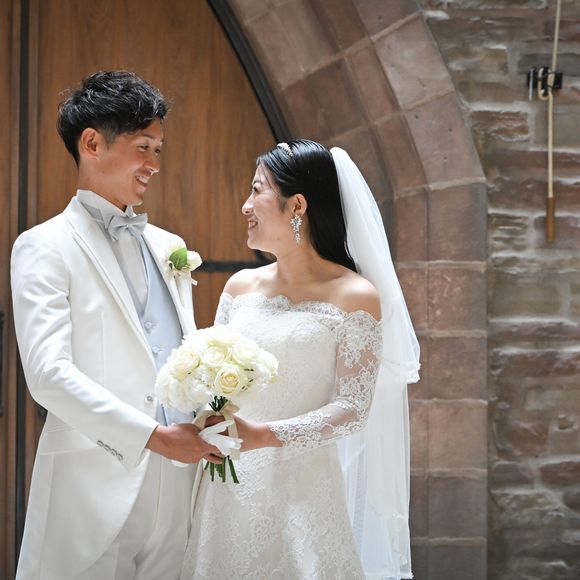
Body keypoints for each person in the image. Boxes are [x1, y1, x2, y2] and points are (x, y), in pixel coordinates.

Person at [11, 70, 221, 580]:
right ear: (92, 144)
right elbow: (48, 375)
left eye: (159, 150)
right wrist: (152, 436)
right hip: (92, 480)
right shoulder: (43, 246)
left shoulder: (168, 245)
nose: (154, 165)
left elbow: (177, 351)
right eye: (143, 147)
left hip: (180, 480)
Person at [181, 139, 420, 579]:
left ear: (297, 205)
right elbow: (212, 384)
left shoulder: (354, 295)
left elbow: (352, 410)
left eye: (257, 190)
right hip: (227, 487)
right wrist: (207, 416)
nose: (245, 205)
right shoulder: (239, 287)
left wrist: (263, 434)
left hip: (303, 492)